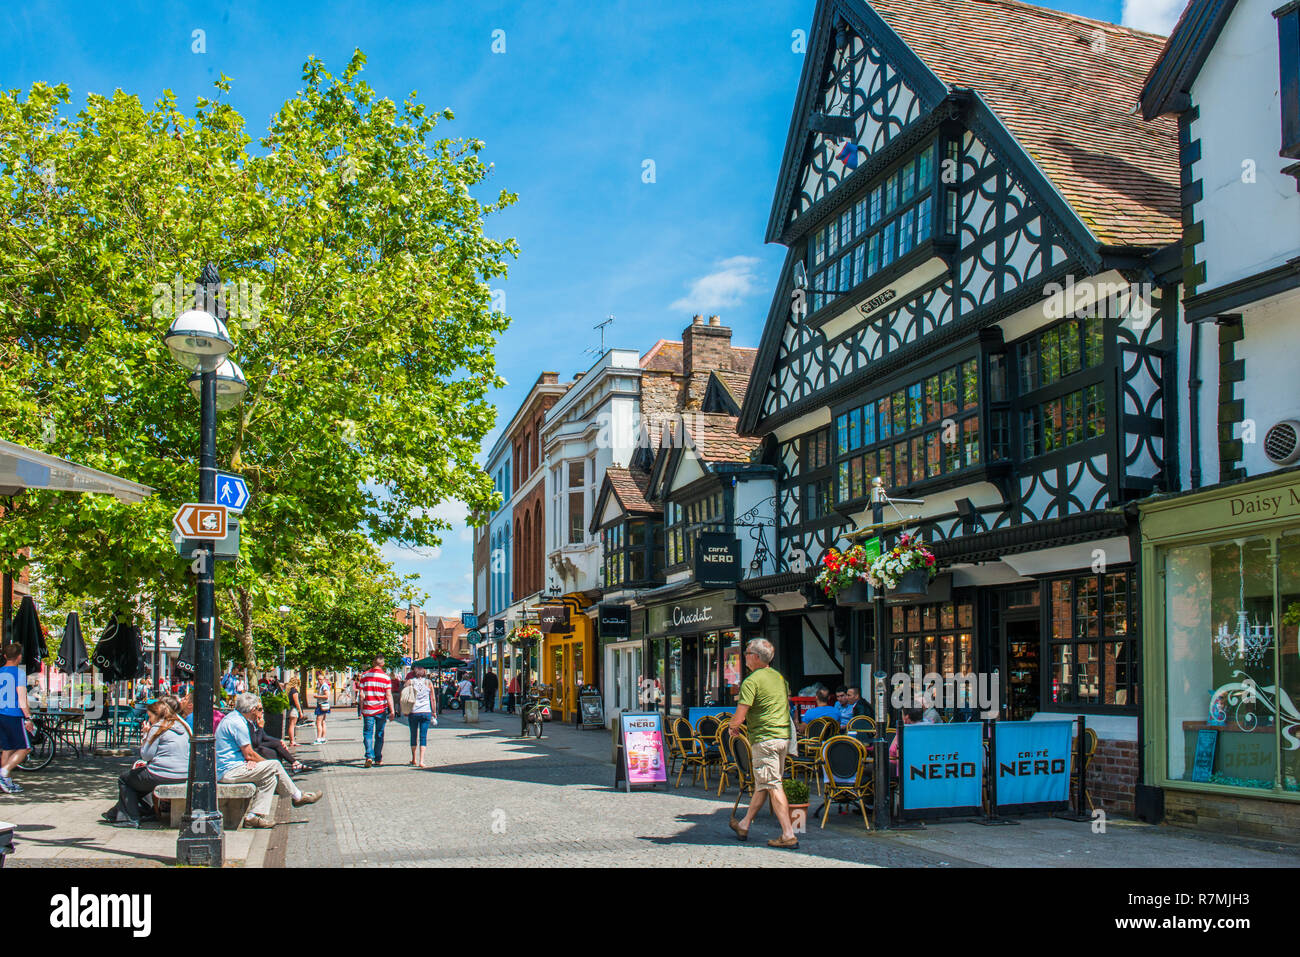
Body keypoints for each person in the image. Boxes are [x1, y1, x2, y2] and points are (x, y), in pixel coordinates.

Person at [727, 638, 798, 849]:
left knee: (773, 784)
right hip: (782, 737)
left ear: (755, 657)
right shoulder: (779, 678)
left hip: (764, 739)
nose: (745, 655)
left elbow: (741, 714)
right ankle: (744, 824)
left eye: (747, 652)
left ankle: (788, 834)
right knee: (764, 784)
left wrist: (733, 727)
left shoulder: (751, 681)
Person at [215, 693, 320, 828]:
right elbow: (250, 754)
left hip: (233, 766)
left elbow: (249, 753)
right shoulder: (238, 724)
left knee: (269, 778)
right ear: (252, 710)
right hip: (229, 771)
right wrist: (262, 762)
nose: (260, 710)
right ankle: (298, 797)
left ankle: (253, 816)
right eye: (258, 708)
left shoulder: (236, 719)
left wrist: (252, 760)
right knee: (274, 765)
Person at [102, 695, 190, 827]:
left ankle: (130, 818)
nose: (149, 720)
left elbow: (146, 756)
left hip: (163, 774)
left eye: (150, 716)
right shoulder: (181, 725)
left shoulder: (158, 727)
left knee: (125, 779)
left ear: (157, 715)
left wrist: (145, 735)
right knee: (140, 777)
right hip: (185, 774)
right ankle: (130, 812)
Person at [0, 642, 33, 794]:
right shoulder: (19, 673)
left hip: (1, 714)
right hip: (13, 714)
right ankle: (4, 772)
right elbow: (21, 698)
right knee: (25, 748)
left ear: (5, 656)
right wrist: (28, 717)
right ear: (19, 657)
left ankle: (5, 782)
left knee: (7, 748)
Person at [357, 656, 397, 768]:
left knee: (368, 733)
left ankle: (369, 755)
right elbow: (388, 695)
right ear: (382, 664)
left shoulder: (364, 675)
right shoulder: (386, 677)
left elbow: (361, 695)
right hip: (380, 709)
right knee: (379, 734)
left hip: (368, 709)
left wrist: (361, 709)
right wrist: (392, 710)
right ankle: (378, 758)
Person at [403, 665, 438, 767]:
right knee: (423, 736)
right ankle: (421, 761)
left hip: (413, 712)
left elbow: (404, 695)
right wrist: (434, 711)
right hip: (426, 711)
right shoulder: (428, 683)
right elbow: (433, 699)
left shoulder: (410, 682)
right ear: (424, 672)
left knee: (413, 734)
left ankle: (413, 759)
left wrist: (405, 708)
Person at [890, 708, 923, 777]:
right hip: (922, 766)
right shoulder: (929, 727)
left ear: (906, 717)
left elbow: (892, 751)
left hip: (903, 770)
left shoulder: (904, 732)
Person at [285, 677, 303, 748]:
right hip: (294, 709)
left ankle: (291, 740)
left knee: (291, 724)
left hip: (290, 708)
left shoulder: (288, 690)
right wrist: (300, 711)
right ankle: (292, 741)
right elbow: (297, 702)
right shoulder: (294, 691)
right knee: (292, 724)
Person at [313, 673, 331, 744]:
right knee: (323, 722)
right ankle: (323, 738)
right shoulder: (322, 686)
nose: (319, 681)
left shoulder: (324, 686)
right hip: (323, 705)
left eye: (321, 679)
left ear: (324, 679)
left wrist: (317, 696)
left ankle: (319, 738)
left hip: (322, 704)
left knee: (318, 722)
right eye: (318, 679)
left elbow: (326, 696)